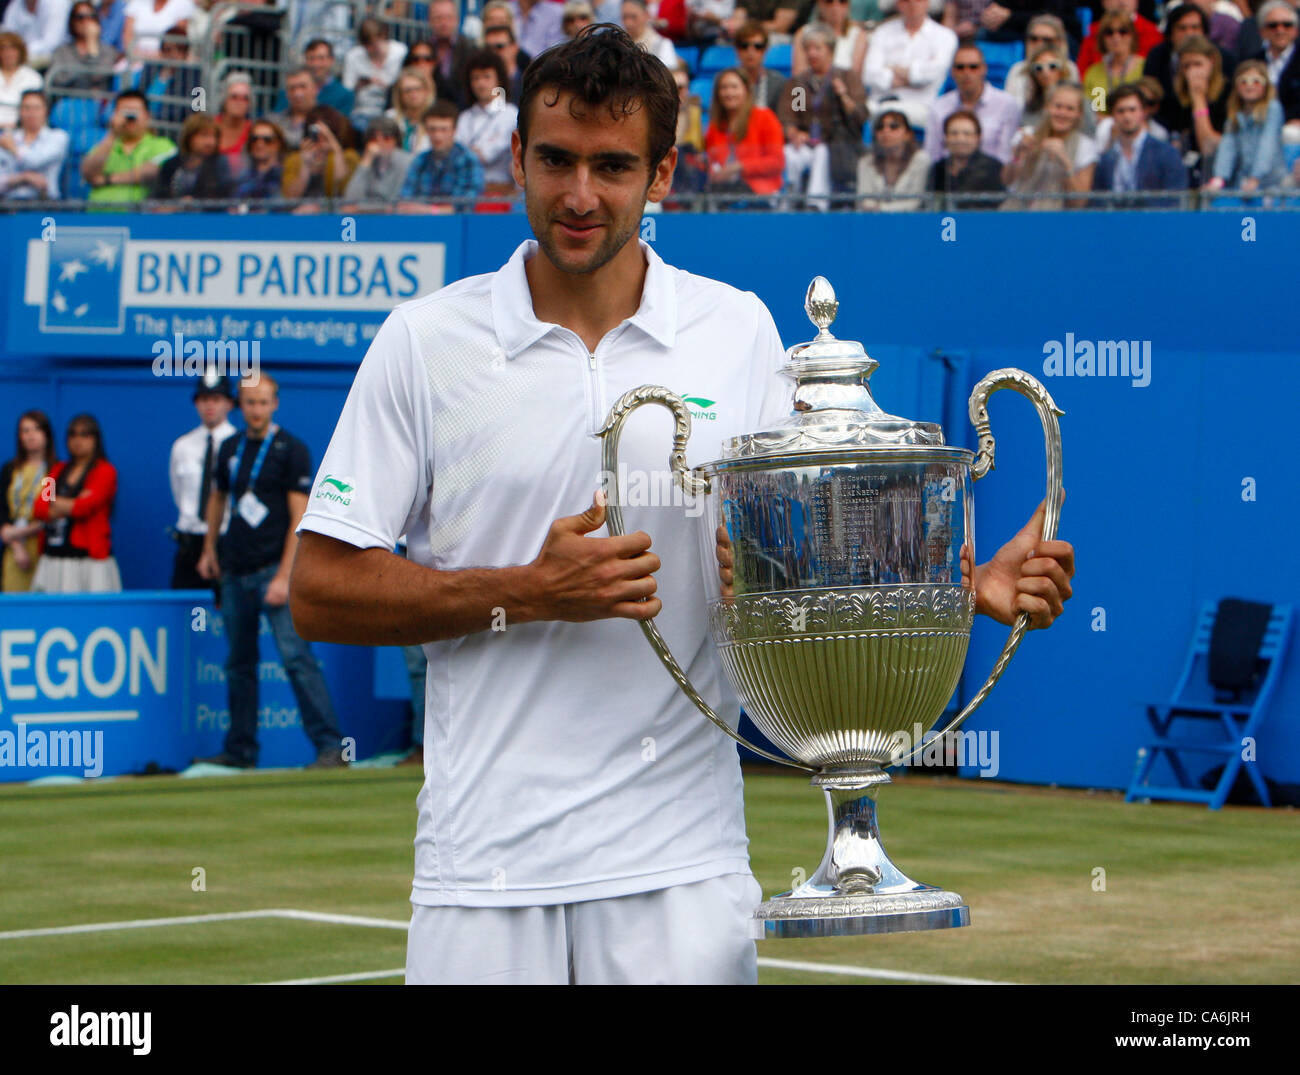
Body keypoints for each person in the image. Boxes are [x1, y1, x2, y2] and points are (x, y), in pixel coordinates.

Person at [289, 24, 1074, 986]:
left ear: (662, 175)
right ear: (516, 160)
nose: (580, 195)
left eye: (613, 166)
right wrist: (529, 589)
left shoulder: (736, 328)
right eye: (557, 161)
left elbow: (794, 564)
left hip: (681, 868)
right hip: (483, 870)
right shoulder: (423, 339)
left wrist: (958, 587)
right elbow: (319, 589)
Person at [196, 374, 347, 771]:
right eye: (249, 402)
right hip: (233, 570)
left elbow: (300, 515)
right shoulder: (229, 447)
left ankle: (331, 747)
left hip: (273, 572)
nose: (256, 409)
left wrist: (284, 576)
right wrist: (209, 548)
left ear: (275, 404)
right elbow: (218, 498)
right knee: (238, 664)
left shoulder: (290, 449)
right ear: (239, 406)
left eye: (263, 402)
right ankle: (240, 750)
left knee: (297, 659)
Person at [30, 413, 121, 593]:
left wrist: (56, 502)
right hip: (54, 556)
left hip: (89, 560)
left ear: (96, 439)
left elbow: (83, 507)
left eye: (85, 435)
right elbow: (40, 507)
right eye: (73, 435)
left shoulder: (105, 471)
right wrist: (71, 502)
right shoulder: (57, 470)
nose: (78, 440)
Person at [780, 23, 867, 198]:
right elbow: (793, 115)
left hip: (836, 145)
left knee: (821, 152)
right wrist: (795, 132)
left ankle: (816, 203)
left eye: (818, 48)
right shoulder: (801, 84)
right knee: (790, 153)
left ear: (830, 51)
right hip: (807, 143)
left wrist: (843, 95)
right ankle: (789, 201)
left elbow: (859, 116)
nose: (812, 53)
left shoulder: (847, 77)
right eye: (808, 49)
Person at [169, 371, 237, 590]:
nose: (210, 406)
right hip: (190, 541)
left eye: (216, 399)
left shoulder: (239, 445)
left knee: (227, 612)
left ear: (229, 404)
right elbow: (178, 492)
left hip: (226, 541)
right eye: (204, 399)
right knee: (186, 611)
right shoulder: (182, 445)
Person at [861, 0, 957, 128]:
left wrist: (891, 69)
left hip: (921, 106)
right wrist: (914, 76)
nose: (912, 4)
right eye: (905, 0)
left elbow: (931, 74)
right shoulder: (883, 32)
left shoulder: (945, 36)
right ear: (897, 4)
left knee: (887, 115)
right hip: (877, 104)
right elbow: (869, 75)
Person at [1092, 81, 1189, 203]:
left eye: (1132, 110)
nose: (1127, 116)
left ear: (1143, 112)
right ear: (1113, 115)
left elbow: (1175, 198)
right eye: (1121, 111)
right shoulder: (1105, 160)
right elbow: (1098, 202)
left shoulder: (1166, 154)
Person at [1003, 82, 1097, 206]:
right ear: (1047, 107)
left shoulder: (1086, 146)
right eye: (1058, 106)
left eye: (1070, 109)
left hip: (1059, 219)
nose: (1062, 113)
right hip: (1018, 212)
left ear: (1079, 114)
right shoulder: (1027, 133)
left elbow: (1079, 202)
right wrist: (1018, 154)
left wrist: (1065, 163)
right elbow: (1007, 180)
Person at [924, 44, 1021, 163]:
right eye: (960, 67)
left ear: (984, 69)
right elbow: (933, 154)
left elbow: (1005, 155)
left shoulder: (1007, 104)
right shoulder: (938, 106)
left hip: (991, 176)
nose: (966, 72)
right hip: (949, 175)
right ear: (952, 72)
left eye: (973, 67)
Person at [81, 88, 177, 204]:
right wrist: (113, 134)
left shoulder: (162, 144)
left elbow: (152, 172)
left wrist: (107, 179)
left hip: (140, 218)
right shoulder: (105, 146)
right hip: (99, 218)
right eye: (124, 112)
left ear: (148, 116)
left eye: (135, 111)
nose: (130, 118)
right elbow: (88, 172)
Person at [704, 67, 784, 196]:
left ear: (746, 90)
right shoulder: (715, 125)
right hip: (722, 190)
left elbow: (777, 162)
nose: (729, 93)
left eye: (734, 87)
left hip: (759, 191)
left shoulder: (765, 117)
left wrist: (740, 167)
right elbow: (710, 159)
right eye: (724, 88)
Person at [1207, 58, 1285, 189]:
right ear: (1237, 87)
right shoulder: (1234, 114)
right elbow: (1227, 146)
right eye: (1243, 81)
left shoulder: (1273, 108)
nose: (1250, 86)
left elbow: (1267, 143)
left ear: (1265, 87)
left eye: (1256, 81)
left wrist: (1255, 177)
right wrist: (1219, 178)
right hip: (1244, 182)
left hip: (1272, 182)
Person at [0, 409, 55, 592]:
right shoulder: (10, 469)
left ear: (46, 434)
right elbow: (2, 509)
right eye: (25, 430)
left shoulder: (53, 471)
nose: (31, 435)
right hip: (13, 547)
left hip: (41, 545)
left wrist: (20, 531)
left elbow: (51, 511)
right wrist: (15, 544)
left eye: (36, 429)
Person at [1163, 34, 1227, 185]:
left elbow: (1208, 145)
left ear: (1211, 62)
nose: (1192, 72)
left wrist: (1198, 99)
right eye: (1187, 66)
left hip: (1217, 165)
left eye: (1198, 64)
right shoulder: (1176, 98)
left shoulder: (1226, 93)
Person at [399, 100, 485, 208]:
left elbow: (465, 206)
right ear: (426, 131)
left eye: (444, 130)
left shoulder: (468, 160)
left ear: (454, 130)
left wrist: (429, 211)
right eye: (432, 129)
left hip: (456, 224)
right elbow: (405, 199)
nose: (437, 136)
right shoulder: (420, 161)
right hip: (419, 222)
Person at [456, 48, 519, 192]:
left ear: (499, 79)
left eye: (486, 77)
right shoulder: (464, 117)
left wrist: (467, 154)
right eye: (475, 78)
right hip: (466, 191)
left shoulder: (511, 114)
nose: (480, 83)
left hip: (500, 190)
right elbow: (456, 157)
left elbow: (485, 156)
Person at [927, 107, 1005, 205]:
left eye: (967, 134)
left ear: (978, 137)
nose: (960, 139)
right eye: (954, 133)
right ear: (946, 137)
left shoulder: (993, 167)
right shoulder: (938, 168)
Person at [0, 89, 68, 198]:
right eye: (27, 108)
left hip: (44, 204)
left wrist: (13, 149)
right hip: (8, 205)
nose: (31, 113)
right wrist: (23, 177)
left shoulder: (57, 137)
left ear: (46, 111)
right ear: (20, 111)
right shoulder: (7, 138)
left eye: (37, 108)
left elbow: (34, 161)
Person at [151, 111, 235, 200]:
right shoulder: (171, 165)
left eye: (214, 136)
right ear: (190, 137)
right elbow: (161, 199)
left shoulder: (220, 164)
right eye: (204, 135)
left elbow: (224, 197)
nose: (211, 142)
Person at [858, 106, 929, 208]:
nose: (886, 131)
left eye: (894, 126)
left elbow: (915, 202)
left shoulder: (921, 160)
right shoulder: (866, 162)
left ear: (908, 134)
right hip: (873, 221)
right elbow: (863, 200)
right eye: (880, 127)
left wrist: (881, 209)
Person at [282, 104, 357, 199]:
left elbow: (343, 190)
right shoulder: (294, 159)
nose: (320, 139)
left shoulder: (349, 156)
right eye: (316, 133)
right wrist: (305, 165)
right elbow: (290, 197)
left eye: (325, 134)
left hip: (336, 212)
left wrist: (336, 150)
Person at [343, 17, 408, 127]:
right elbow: (347, 89)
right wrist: (362, 83)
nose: (370, 49)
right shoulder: (353, 55)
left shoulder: (400, 52)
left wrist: (386, 85)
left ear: (383, 36)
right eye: (366, 45)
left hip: (392, 108)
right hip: (361, 111)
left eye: (373, 43)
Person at [1018, 42, 1094, 133]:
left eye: (1052, 66)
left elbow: (1091, 135)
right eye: (1038, 68)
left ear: (1063, 69)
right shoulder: (1029, 108)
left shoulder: (1082, 103)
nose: (1045, 73)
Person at [1002, 15, 1079, 103]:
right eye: (1034, 39)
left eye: (1047, 40)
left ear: (1060, 42)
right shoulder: (1017, 70)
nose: (1039, 44)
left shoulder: (1069, 69)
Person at [1075, 0, 1162, 75]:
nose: (1121, 1)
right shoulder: (1093, 35)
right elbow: (1082, 76)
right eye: (1109, 33)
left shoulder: (1154, 34)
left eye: (1123, 32)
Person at [49, 2, 122, 91]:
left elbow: (98, 76)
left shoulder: (108, 52)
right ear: (72, 21)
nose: (86, 21)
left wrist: (92, 44)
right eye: (80, 17)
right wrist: (84, 71)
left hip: (97, 102)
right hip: (69, 101)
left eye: (91, 17)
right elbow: (59, 79)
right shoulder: (61, 52)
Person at [1083, 12, 1144, 115]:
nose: (1116, 37)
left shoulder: (1145, 67)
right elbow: (1094, 111)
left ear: (1132, 35)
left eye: (1123, 31)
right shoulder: (1093, 73)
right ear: (1102, 38)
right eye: (1109, 32)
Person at [1253, 0, 1300, 131]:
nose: (1280, 30)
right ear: (1262, 31)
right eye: (1273, 25)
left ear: (1295, 30)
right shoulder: (1252, 62)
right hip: (1257, 126)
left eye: (1287, 25)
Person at [344, 114, 412, 202]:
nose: (380, 143)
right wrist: (366, 160)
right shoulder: (367, 161)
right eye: (374, 139)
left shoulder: (406, 161)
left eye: (386, 138)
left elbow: (397, 202)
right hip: (369, 214)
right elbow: (350, 198)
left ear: (396, 140)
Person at [792, 0, 869, 77]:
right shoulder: (803, 34)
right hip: (810, 87)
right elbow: (798, 79)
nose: (836, 6)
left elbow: (854, 78)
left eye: (842, 1)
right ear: (819, 3)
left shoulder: (859, 35)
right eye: (829, 1)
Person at [429, 0, 479, 106]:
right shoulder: (423, 51)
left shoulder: (470, 49)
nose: (443, 23)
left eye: (448, 17)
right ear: (430, 20)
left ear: (457, 20)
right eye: (438, 18)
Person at [669, 60, 708, 196]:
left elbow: (697, 148)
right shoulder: (654, 117)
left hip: (690, 180)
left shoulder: (694, 113)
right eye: (674, 87)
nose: (680, 93)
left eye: (683, 88)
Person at [733, 20, 786, 113]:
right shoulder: (725, 80)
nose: (751, 51)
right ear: (737, 50)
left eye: (758, 46)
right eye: (744, 46)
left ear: (766, 50)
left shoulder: (778, 82)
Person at [1, 0, 71, 67]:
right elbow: (7, 37)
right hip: (24, 58)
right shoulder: (15, 4)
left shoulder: (58, 3)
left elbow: (51, 43)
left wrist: (19, 51)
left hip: (57, 60)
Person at [231, 117, 285, 200]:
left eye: (267, 140)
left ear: (278, 144)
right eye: (254, 139)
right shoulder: (241, 176)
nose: (259, 144)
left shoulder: (286, 174)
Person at [213, 70, 253, 180]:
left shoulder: (254, 132)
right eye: (234, 97)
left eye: (245, 98)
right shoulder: (209, 127)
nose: (239, 102)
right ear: (224, 100)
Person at [122, 0, 194, 58]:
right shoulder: (137, 3)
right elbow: (127, 34)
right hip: (134, 60)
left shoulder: (183, 3)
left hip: (164, 63)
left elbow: (178, 39)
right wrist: (135, 54)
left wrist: (158, 56)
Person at [267, 65, 317, 149]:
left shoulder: (327, 121)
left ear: (315, 89)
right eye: (292, 88)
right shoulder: (273, 122)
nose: (297, 94)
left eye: (303, 87)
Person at [301, 37, 354, 116]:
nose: (316, 64)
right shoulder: (291, 91)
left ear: (331, 60)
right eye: (311, 58)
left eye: (321, 58)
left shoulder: (344, 95)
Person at [387, 68, 434, 155]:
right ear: (400, 95)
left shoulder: (436, 118)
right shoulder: (390, 118)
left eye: (418, 89)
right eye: (407, 91)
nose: (413, 94)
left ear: (426, 91)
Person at [0, 32, 42, 129]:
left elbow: (36, 110)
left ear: (20, 51)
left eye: (12, 49)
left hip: (22, 130)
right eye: (3, 49)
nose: (8, 53)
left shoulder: (33, 77)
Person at [624, 0, 679, 68]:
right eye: (624, 17)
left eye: (633, 17)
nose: (628, 23)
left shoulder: (662, 44)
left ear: (646, 15)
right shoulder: (619, 43)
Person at [483, 22, 527, 105]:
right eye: (488, 48)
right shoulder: (475, 84)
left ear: (514, 48)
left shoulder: (528, 83)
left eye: (499, 47)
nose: (493, 52)